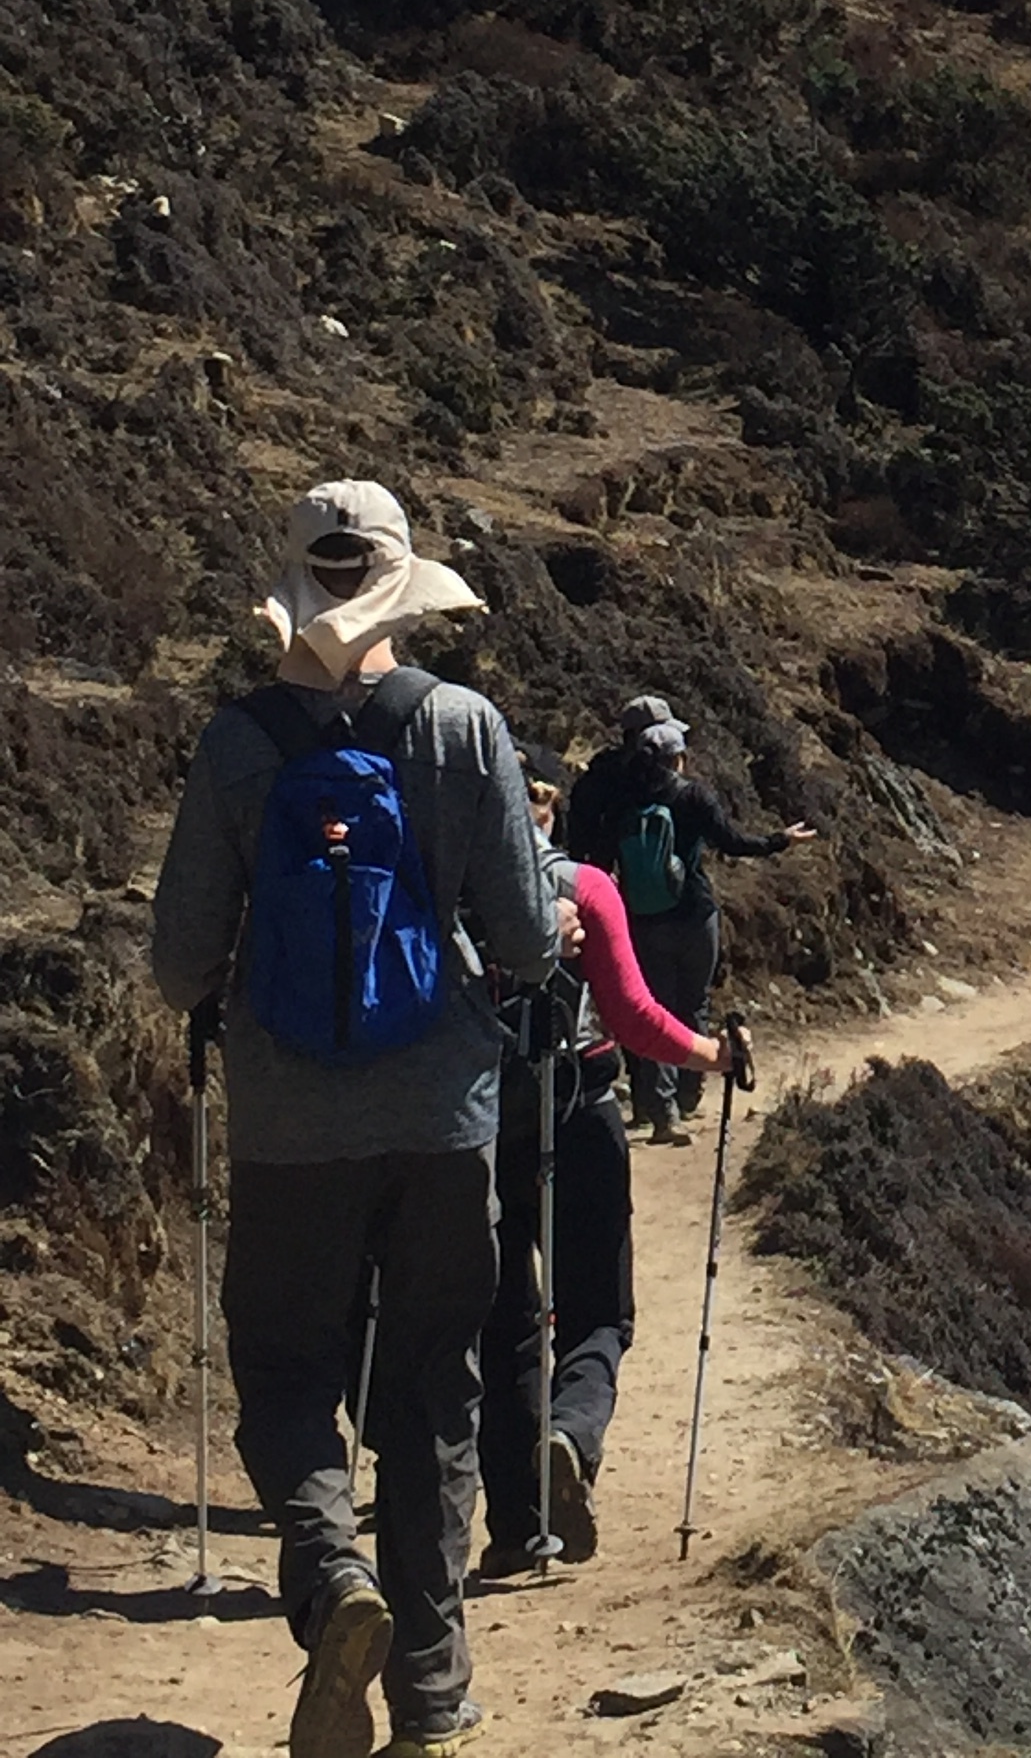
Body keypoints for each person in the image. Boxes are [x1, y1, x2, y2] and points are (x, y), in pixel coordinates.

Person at [152, 482, 564, 1758]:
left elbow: (177, 962)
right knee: (436, 1391)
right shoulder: (463, 727)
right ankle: (434, 1696)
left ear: (294, 586)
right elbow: (527, 938)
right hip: (442, 1117)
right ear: (403, 582)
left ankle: (333, 1576)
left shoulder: (237, 744)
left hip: (287, 1129)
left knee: (285, 1371)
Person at [474, 741, 753, 1578]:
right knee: (600, 1313)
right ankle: (572, 1432)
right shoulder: (584, 888)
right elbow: (631, 1016)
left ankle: (517, 1529)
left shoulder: (449, 885)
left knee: (505, 1328)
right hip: (581, 1113)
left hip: (478, 1123)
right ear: (545, 809)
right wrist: (712, 1056)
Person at [566, 696, 812, 1144]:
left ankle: (656, 1110)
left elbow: (590, 854)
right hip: (695, 913)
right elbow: (733, 843)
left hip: (637, 916)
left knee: (650, 1006)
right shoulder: (692, 794)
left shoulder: (612, 792)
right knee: (691, 1003)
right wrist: (780, 840)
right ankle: (686, 1093)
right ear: (676, 755)